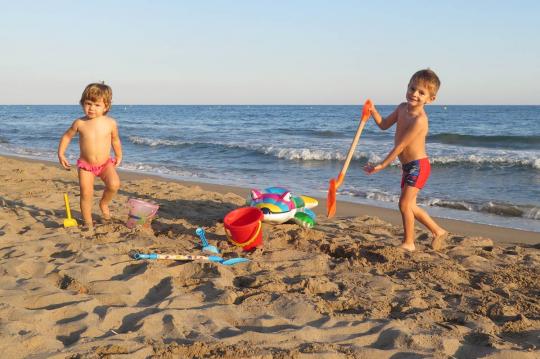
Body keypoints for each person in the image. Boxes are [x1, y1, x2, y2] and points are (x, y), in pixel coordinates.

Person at [364, 69, 448, 251]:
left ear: (430, 99)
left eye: (421, 92)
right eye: (412, 88)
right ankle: (438, 231)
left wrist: (382, 165)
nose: (414, 94)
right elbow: (384, 124)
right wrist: (373, 111)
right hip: (408, 167)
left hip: (419, 166)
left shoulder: (420, 120)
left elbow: (400, 146)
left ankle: (409, 242)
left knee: (404, 204)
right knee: (410, 205)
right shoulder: (402, 108)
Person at [58, 83, 122, 232]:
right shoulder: (80, 123)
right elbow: (67, 137)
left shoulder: (110, 123)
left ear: (106, 107)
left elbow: (115, 140)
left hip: (105, 163)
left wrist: (119, 155)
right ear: (82, 103)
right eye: (88, 103)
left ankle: (104, 204)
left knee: (114, 184)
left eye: (97, 105)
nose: (92, 108)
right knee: (86, 193)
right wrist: (61, 153)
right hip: (86, 165)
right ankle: (88, 222)